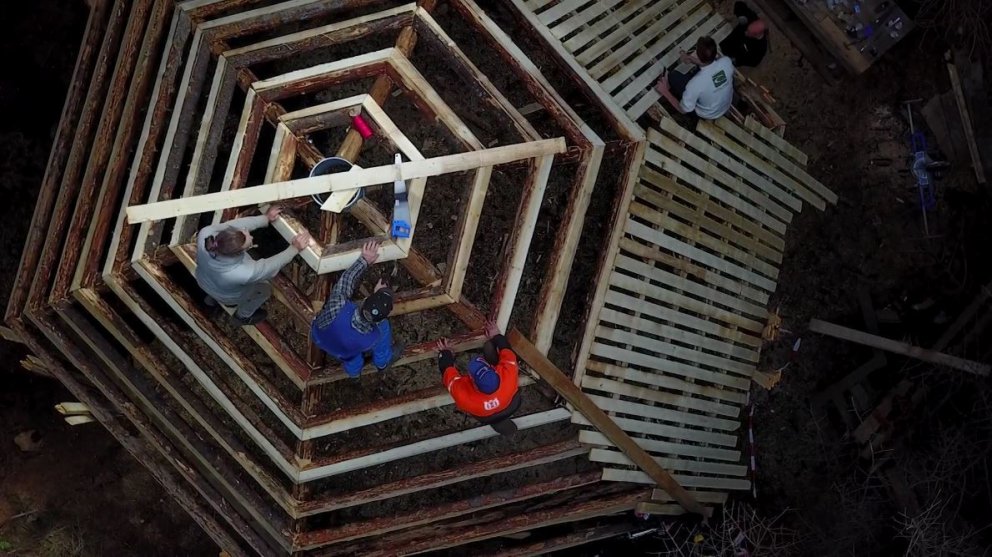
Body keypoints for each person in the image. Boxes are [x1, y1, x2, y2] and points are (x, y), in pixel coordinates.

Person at [196, 206, 310, 326]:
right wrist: (294, 249)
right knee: (264, 290)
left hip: (204, 281)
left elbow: (234, 225)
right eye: (248, 243)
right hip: (229, 296)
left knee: (218, 284)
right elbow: (270, 266)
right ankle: (243, 316)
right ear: (238, 253)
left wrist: (265, 218)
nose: (251, 236)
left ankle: (211, 300)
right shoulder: (243, 273)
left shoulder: (206, 235)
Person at [311, 239, 400, 377]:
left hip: (320, 338)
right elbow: (377, 324)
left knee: (351, 357)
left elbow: (347, 280)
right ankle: (382, 363)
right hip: (347, 349)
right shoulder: (373, 337)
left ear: (365, 300)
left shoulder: (338, 307)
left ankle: (353, 373)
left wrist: (365, 260)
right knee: (383, 330)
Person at [436, 320, 520, 435]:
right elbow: (506, 350)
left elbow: (447, 373)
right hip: (507, 402)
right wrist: (496, 335)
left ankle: (499, 422)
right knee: (490, 347)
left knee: (489, 347)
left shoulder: (464, 397)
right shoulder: (508, 377)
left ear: (474, 384)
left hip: (488, 410)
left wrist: (445, 353)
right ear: (495, 371)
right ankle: (502, 424)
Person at [655, 36, 735, 121]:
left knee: (673, 77)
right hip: (724, 105)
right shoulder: (726, 61)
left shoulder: (695, 84)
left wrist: (665, 91)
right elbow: (710, 65)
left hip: (708, 115)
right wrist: (691, 59)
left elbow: (682, 110)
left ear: (698, 55)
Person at [719, 2, 768, 68]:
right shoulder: (751, 19)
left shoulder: (760, 48)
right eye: (747, 29)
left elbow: (753, 62)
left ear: (756, 35)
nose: (746, 32)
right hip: (726, 44)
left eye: (749, 32)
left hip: (733, 57)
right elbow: (739, 4)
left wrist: (737, 60)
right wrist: (741, 16)